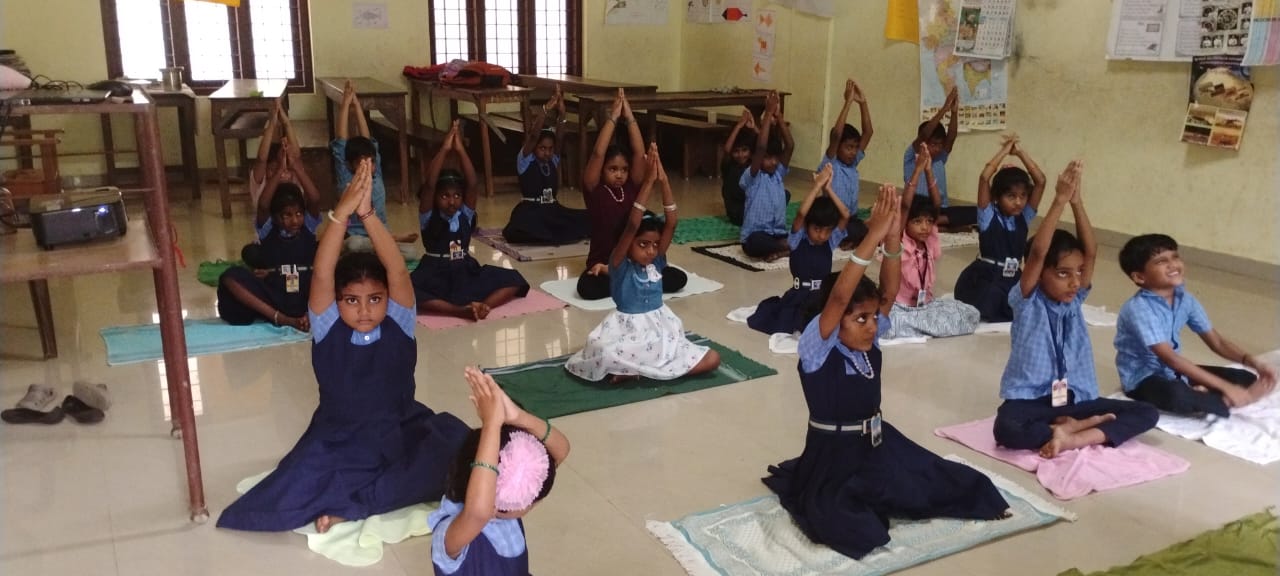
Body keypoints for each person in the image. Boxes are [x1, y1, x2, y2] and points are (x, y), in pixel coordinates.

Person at [218, 159, 469, 533]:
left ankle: (358, 503)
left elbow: (398, 271)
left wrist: (368, 215)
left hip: (399, 429)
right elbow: (322, 273)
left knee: (459, 449)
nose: (365, 311)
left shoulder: (399, 323)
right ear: (336, 303)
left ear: (388, 300)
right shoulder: (328, 327)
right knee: (298, 486)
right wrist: (340, 215)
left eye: (375, 299)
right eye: (351, 300)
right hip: (340, 437)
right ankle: (362, 499)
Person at [762, 183, 1009, 560]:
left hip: (876, 444)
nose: (872, 326)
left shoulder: (869, 340)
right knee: (860, 527)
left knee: (940, 482)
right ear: (835, 319)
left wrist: (892, 239)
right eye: (860, 319)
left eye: (873, 318)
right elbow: (840, 297)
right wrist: (871, 236)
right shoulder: (817, 346)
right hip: (834, 457)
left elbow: (888, 295)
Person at [992, 161, 1158, 459]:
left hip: (1074, 398)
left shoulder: (1075, 300)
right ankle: (1077, 428)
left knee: (1147, 412)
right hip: (1033, 399)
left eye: (1078, 272)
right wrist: (1058, 201)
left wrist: (1077, 202)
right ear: (1039, 274)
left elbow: (1091, 251)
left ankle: (1073, 435)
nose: (1075, 282)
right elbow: (1039, 253)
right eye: (1063, 274)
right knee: (1007, 428)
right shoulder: (1027, 301)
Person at [566, 147, 721, 383]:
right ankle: (642, 369)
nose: (651, 250)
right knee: (604, 352)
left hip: (661, 331)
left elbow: (672, 221)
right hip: (628, 333)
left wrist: (664, 180)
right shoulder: (619, 263)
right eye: (643, 244)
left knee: (713, 358)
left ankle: (640, 371)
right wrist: (648, 182)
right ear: (628, 244)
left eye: (655, 245)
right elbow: (631, 225)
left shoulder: (656, 261)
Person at [1114, 234, 1277, 416]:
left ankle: (1208, 397)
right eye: (1161, 261)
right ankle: (1218, 400)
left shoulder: (1186, 300)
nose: (1173, 265)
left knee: (1244, 377)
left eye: (1175, 257)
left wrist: (1254, 362)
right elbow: (1171, 358)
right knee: (1177, 395)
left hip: (1173, 372)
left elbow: (1217, 342)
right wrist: (1226, 387)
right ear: (1139, 277)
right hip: (1144, 378)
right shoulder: (1139, 309)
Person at [428, 367, 570, 575]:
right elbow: (478, 512)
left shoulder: (506, 508)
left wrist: (518, 417)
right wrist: (491, 425)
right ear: (498, 506)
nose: (532, 503)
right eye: (530, 500)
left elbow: (561, 450)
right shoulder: (449, 532)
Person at [411, 121, 530, 320]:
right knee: (407, 292)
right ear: (435, 198)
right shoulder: (428, 215)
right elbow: (430, 184)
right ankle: (458, 311)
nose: (452, 201)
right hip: (435, 271)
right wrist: (445, 149)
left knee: (514, 279)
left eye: (457, 196)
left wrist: (460, 150)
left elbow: (473, 183)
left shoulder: (464, 214)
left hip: (464, 269)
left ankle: (483, 306)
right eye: (445, 196)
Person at [577, 89, 688, 300]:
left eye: (624, 170)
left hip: (636, 259)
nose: (619, 174)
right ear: (602, 170)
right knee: (588, 288)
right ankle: (632, 280)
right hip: (607, 262)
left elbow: (638, 153)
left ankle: (637, 278)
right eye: (612, 169)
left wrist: (629, 117)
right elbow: (598, 153)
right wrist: (613, 117)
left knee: (678, 278)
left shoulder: (630, 187)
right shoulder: (595, 190)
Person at [886, 145, 981, 339]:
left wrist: (929, 171)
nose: (925, 227)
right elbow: (905, 206)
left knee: (970, 313)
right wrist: (918, 170)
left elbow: (937, 205)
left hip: (925, 305)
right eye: (917, 222)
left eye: (929, 222)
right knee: (890, 324)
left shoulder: (928, 241)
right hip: (901, 307)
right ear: (906, 223)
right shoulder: (900, 241)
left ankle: (922, 325)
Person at [747, 164, 849, 335]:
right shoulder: (797, 240)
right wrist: (817, 186)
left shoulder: (830, 242)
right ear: (807, 226)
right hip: (799, 296)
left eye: (827, 231)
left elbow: (845, 214)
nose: (822, 235)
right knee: (792, 324)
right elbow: (801, 213)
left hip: (822, 295)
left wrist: (828, 189)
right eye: (817, 229)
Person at [954, 134, 1046, 322]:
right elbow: (984, 177)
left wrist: (1019, 152)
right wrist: (1004, 151)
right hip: (987, 278)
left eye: (1023, 195)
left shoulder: (1023, 217)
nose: (1018, 202)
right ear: (996, 196)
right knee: (991, 303)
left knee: (1029, 306)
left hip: (1013, 277)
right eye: (1011, 196)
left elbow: (1041, 181)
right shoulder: (988, 216)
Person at [217, 175, 320, 332]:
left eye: (299, 214)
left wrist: (297, 168)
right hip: (276, 295)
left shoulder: (308, 228)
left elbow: (314, 199)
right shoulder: (268, 231)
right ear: (275, 218)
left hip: (306, 295)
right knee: (229, 276)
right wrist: (278, 173)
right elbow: (263, 205)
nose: (294, 220)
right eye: (287, 215)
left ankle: (308, 315)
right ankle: (281, 319)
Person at [332, 79, 419, 260]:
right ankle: (390, 242)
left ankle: (383, 246)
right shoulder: (346, 178)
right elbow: (340, 142)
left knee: (411, 252)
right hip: (356, 237)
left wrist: (357, 105)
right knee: (354, 244)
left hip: (380, 234)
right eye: (361, 162)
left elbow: (368, 140)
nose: (367, 166)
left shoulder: (376, 174)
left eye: (370, 161)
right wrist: (346, 103)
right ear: (350, 165)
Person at [502, 86, 590, 245]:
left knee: (585, 218)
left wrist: (562, 114)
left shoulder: (552, 160)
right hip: (531, 210)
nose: (547, 153)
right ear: (534, 148)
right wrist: (546, 109)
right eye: (542, 148)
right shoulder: (525, 160)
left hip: (552, 209)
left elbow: (560, 137)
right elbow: (533, 136)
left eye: (550, 149)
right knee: (525, 229)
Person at [903, 86, 975, 228]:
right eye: (933, 144)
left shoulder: (940, 158)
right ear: (923, 143)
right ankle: (931, 221)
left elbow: (951, 136)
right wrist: (944, 109)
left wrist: (954, 112)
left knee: (977, 212)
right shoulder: (912, 156)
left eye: (940, 144)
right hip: (916, 207)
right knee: (911, 212)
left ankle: (935, 220)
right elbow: (924, 135)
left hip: (939, 208)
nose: (937, 148)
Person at [817, 78, 873, 247]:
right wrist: (848, 102)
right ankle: (844, 239)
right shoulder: (831, 163)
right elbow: (836, 135)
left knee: (870, 228)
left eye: (855, 148)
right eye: (848, 147)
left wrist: (863, 103)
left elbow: (868, 132)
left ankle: (848, 238)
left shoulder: (853, 163)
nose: (853, 152)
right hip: (833, 219)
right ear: (837, 147)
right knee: (857, 231)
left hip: (850, 218)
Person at [740, 91, 794, 261]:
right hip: (756, 236)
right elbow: (761, 147)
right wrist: (768, 113)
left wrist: (779, 117)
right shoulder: (753, 176)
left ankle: (781, 248)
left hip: (777, 233)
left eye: (775, 158)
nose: (773, 162)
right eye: (768, 158)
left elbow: (790, 146)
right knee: (755, 243)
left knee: (804, 235)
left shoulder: (778, 174)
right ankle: (783, 248)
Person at [721, 108, 758, 226]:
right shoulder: (729, 165)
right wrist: (739, 126)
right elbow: (727, 150)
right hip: (737, 213)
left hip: (751, 207)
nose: (741, 155)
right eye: (736, 151)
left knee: (784, 194)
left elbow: (763, 146)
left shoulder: (751, 164)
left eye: (744, 150)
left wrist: (753, 127)